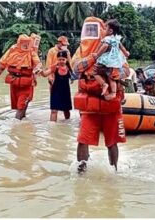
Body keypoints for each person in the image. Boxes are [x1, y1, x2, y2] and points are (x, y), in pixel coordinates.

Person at [71, 16, 128, 173]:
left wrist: (109, 70)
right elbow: (76, 69)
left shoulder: (113, 46)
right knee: (83, 139)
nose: (90, 33)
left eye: (93, 29)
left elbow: (126, 71)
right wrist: (94, 58)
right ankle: (81, 172)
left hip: (110, 101)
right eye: (87, 29)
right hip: (90, 102)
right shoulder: (80, 50)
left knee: (112, 142)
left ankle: (115, 171)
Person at [0, 34, 42, 120]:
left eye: (27, 44)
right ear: (19, 43)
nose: (26, 46)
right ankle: (23, 121)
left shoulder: (31, 52)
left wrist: (37, 70)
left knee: (21, 105)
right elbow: (1, 64)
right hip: (14, 82)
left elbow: (38, 63)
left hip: (26, 83)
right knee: (19, 105)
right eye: (24, 44)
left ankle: (16, 125)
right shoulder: (12, 50)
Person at [91, 19, 130, 100]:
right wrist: (126, 53)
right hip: (114, 63)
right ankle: (113, 93)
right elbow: (122, 48)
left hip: (105, 61)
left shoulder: (107, 39)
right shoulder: (117, 39)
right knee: (111, 77)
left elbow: (104, 47)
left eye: (105, 28)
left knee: (94, 72)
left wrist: (97, 55)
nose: (103, 30)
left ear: (110, 31)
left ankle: (104, 84)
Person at [36, 50, 73, 121]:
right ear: (57, 59)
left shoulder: (69, 68)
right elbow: (45, 74)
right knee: (54, 110)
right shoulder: (54, 67)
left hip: (65, 92)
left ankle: (67, 124)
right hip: (55, 91)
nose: (61, 61)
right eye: (59, 59)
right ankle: (52, 128)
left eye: (63, 59)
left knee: (66, 110)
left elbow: (74, 77)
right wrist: (41, 72)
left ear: (66, 59)